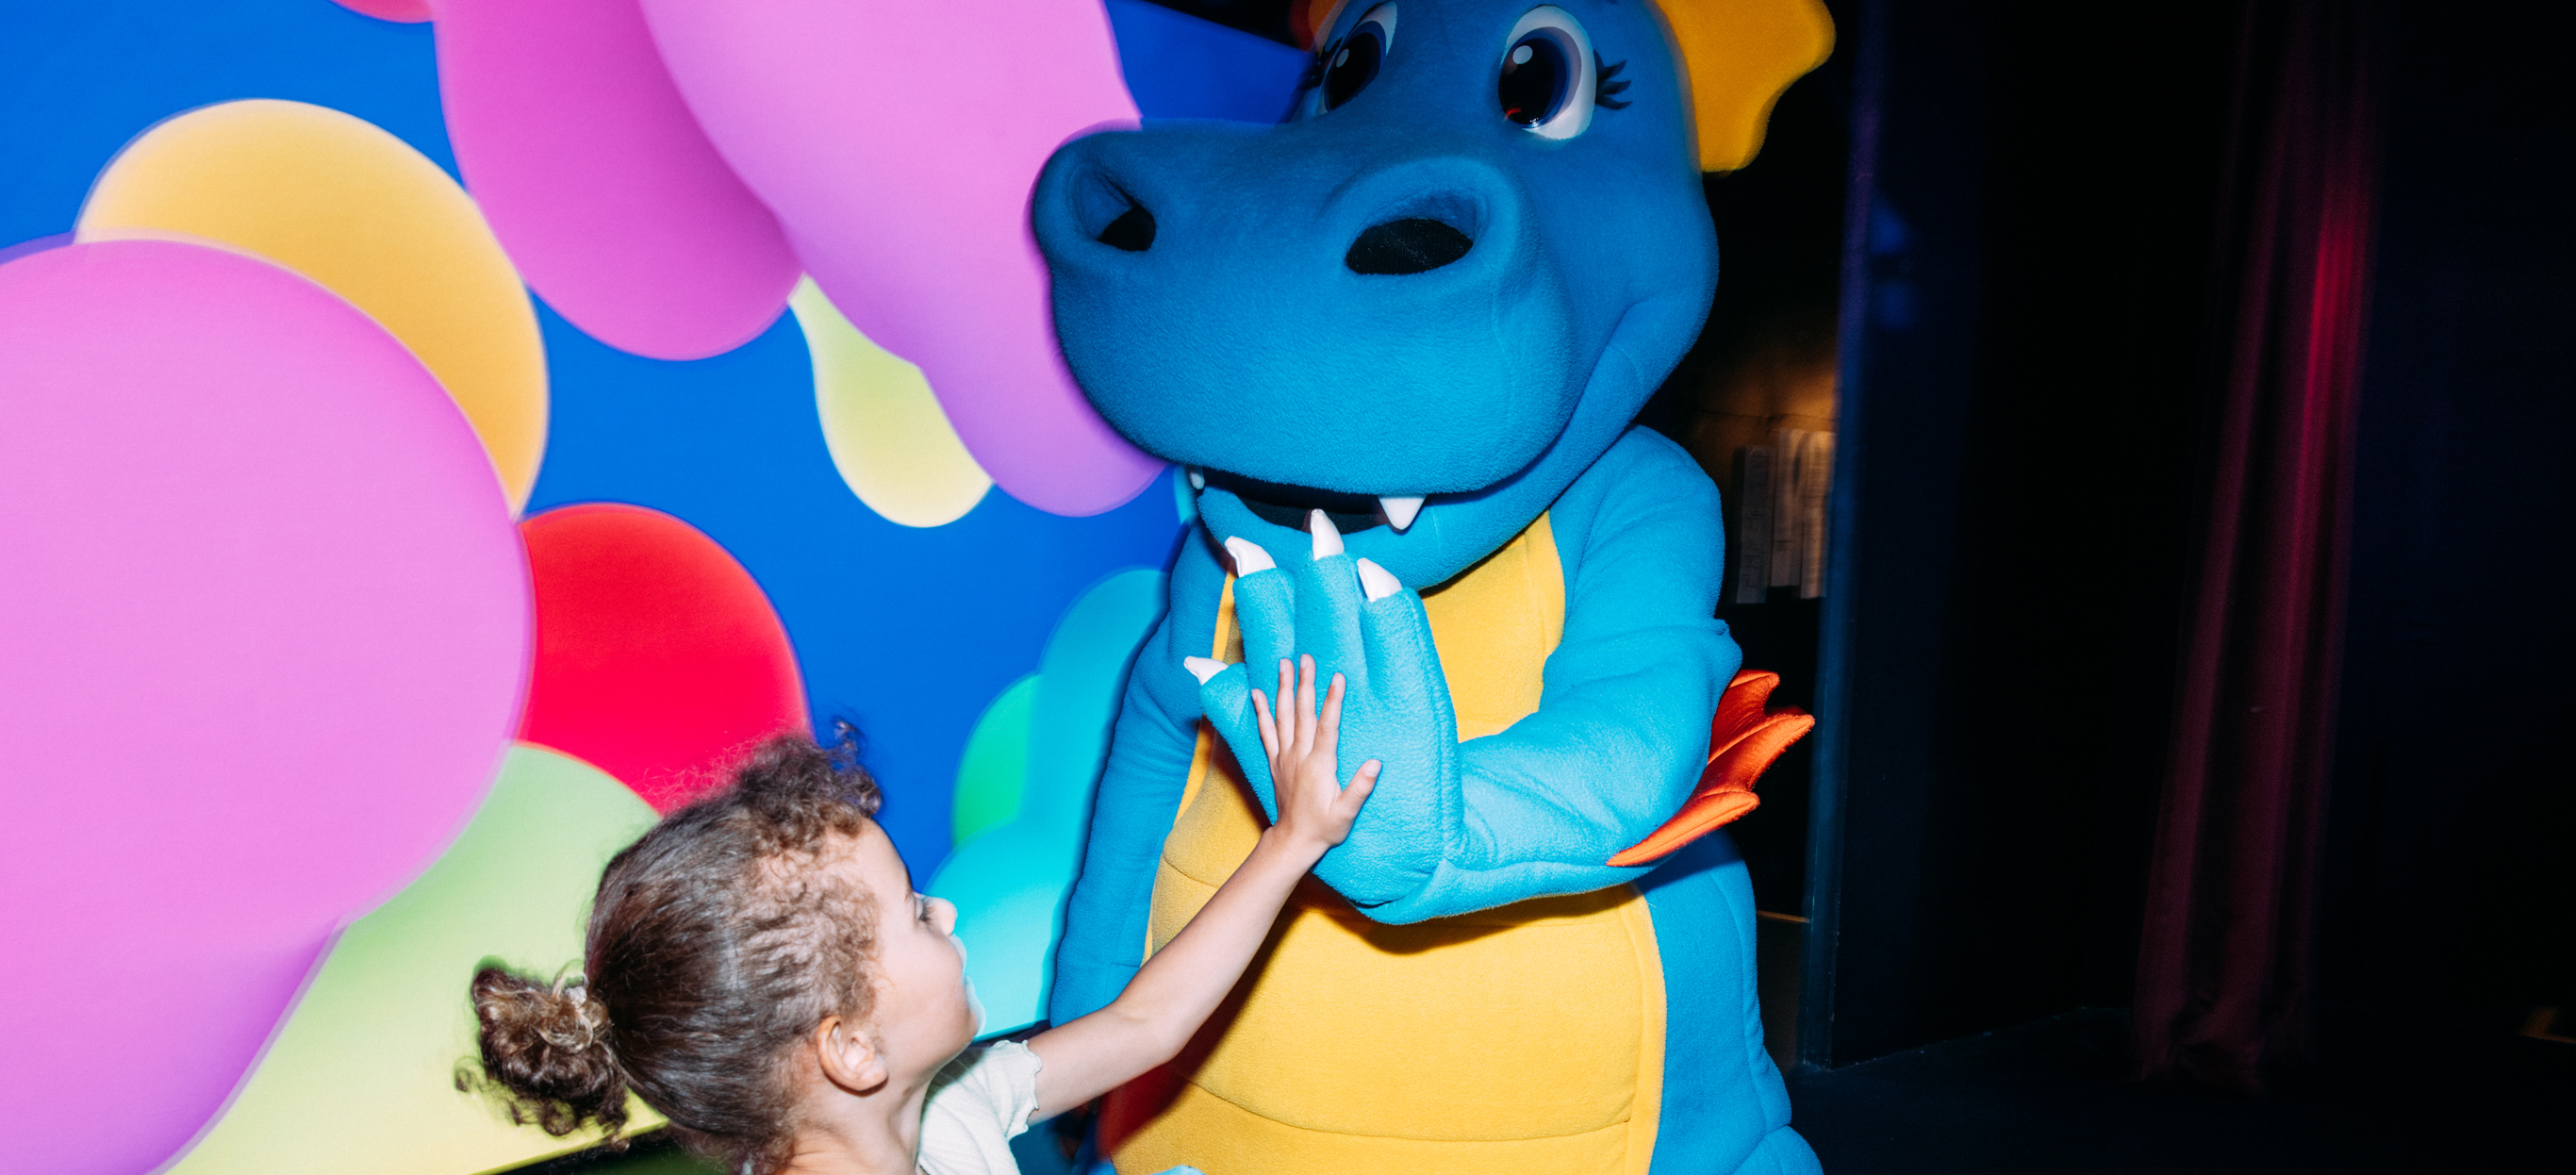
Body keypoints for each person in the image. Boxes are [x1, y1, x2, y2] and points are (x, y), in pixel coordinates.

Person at [464, 656, 1375, 1175]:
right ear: (853, 1048)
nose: (943, 907)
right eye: (914, 916)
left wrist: (1292, 840)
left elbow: (1145, 1024)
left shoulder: (945, 1108)